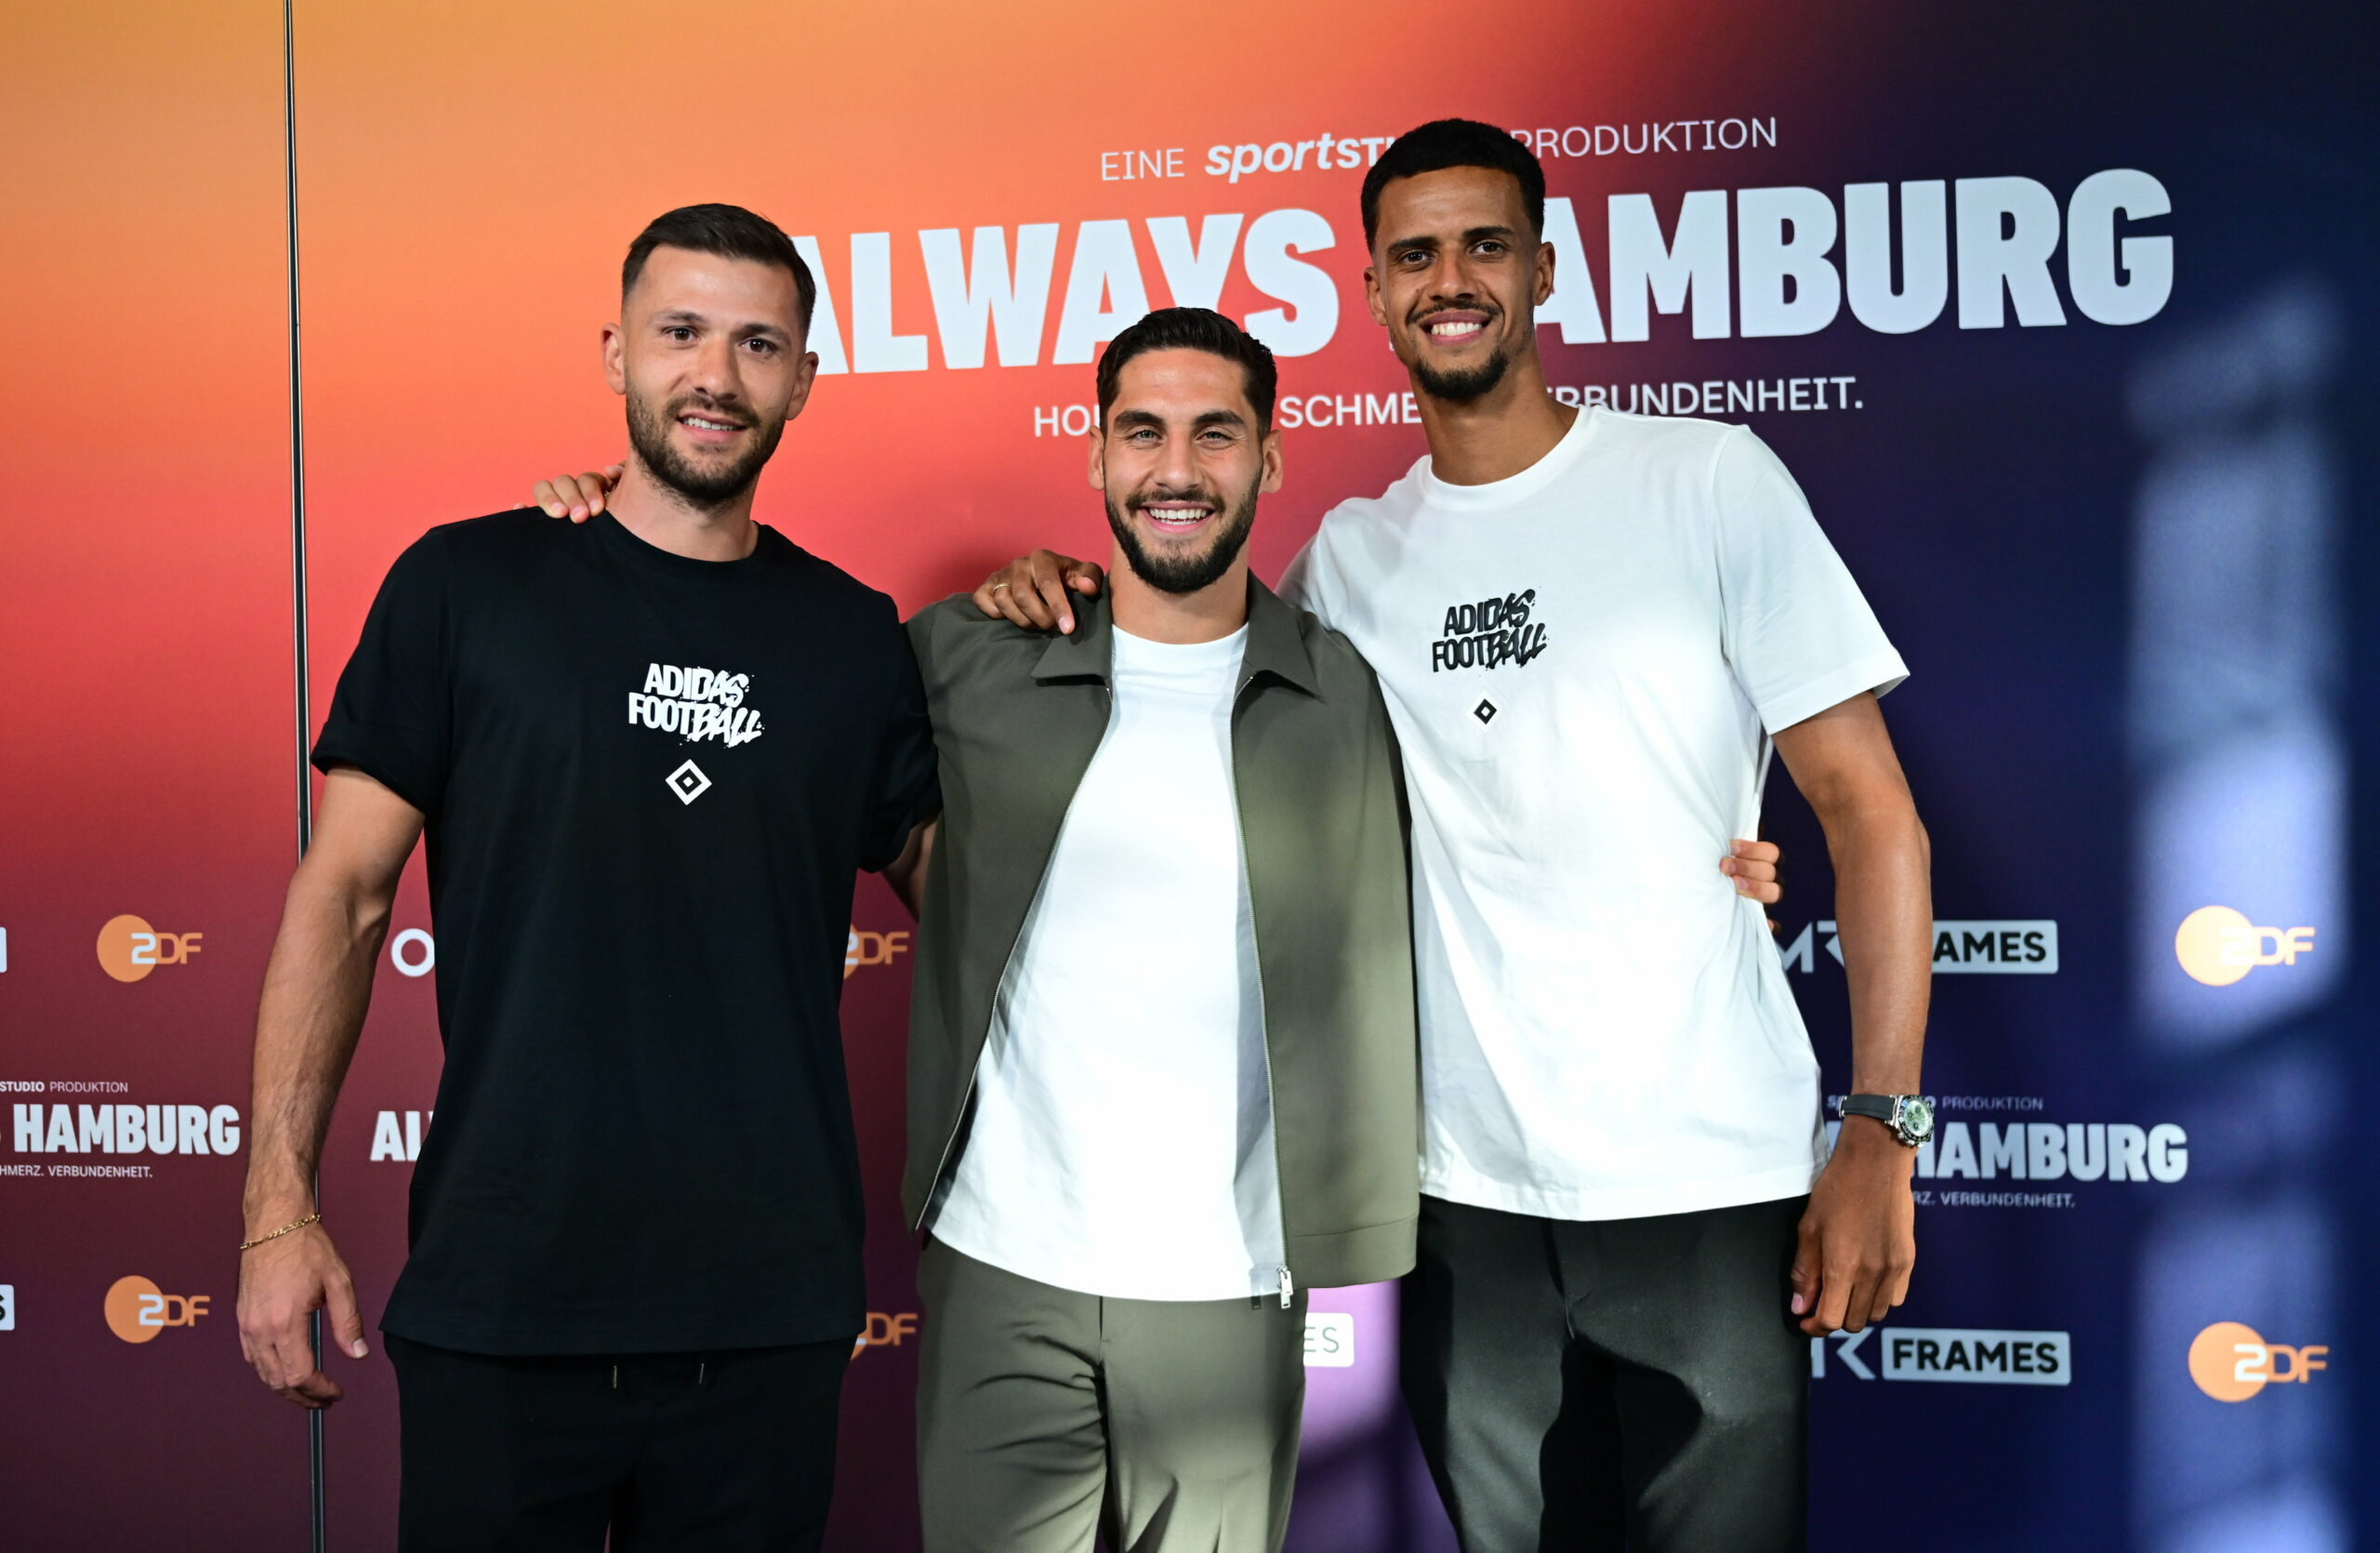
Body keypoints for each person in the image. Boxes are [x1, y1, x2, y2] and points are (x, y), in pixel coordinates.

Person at [526, 305, 1783, 1552]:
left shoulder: (1350, 681)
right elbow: (759, 667)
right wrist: (629, 526)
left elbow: (1517, 776)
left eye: (1215, 435)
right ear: (1095, 453)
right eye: (1142, 433)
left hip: (1230, 1291)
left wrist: (1693, 860)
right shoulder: (969, 652)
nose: (1176, 470)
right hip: (1000, 1273)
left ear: (1271, 458)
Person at [973, 121, 1934, 1552]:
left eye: (1485, 243)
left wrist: (1880, 1129)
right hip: (1459, 1197)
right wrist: (1055, 586)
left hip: (1706, 1176)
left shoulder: (1709, 481)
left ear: (1543, 268)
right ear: (1372, 292)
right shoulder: (1351, 560)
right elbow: (1187, 677)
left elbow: (1872, 813)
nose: (1452, 278)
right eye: (1415, 253)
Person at [235, 203, 940, 1552]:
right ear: (616, 353)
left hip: (764, 1320)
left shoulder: (854, 639)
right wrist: (278, 1205)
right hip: (505, 1304)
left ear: (803, 378)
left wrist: (1052, 617)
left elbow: (975, 902)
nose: (714, 376)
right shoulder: (466, 586)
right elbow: (343, 896)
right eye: (680, 333)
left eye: (756, 344)